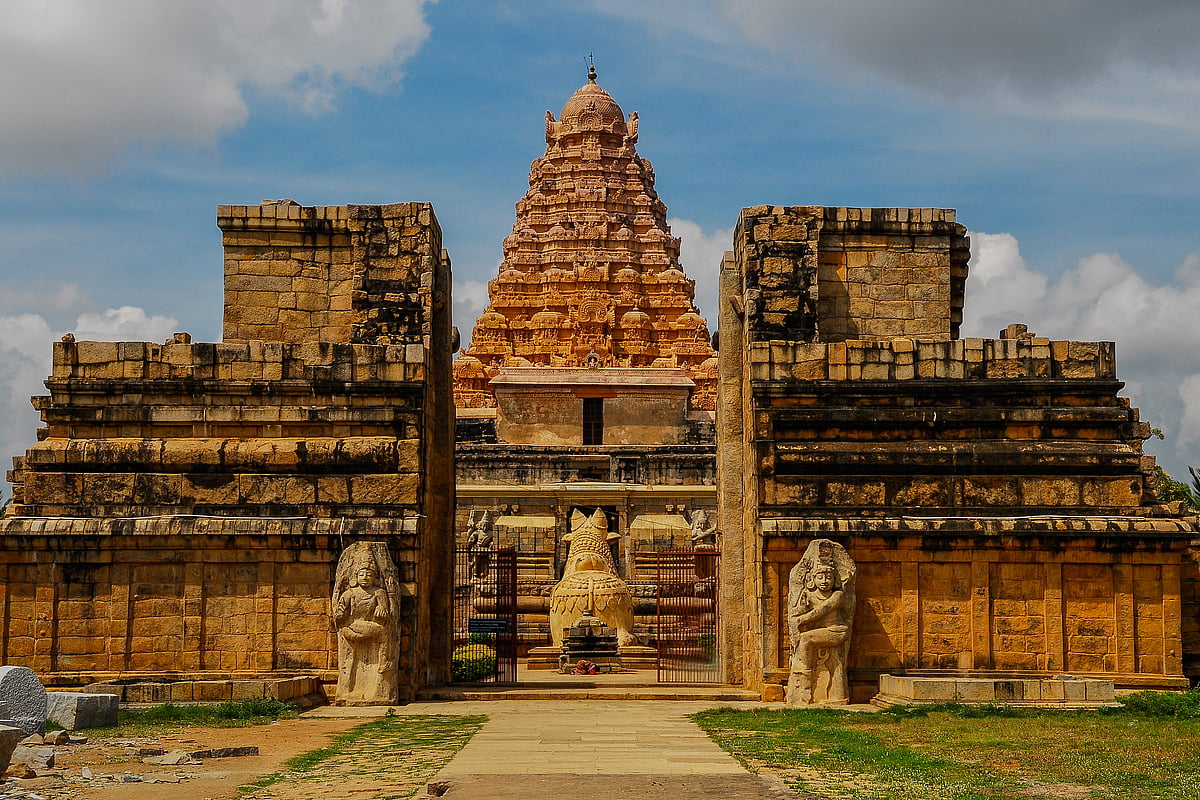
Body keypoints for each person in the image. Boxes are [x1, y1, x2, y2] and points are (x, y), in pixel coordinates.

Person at [788, 559, 852, 705]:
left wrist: (801, 620)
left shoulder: (838, 595)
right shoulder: (810, 595)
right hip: (823, 631)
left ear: (834, 580)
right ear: (813, 579)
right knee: (804, 638)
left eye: (828, 577)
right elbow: (798, 611)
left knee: (806, 639)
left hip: (837, 630)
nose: (824, 581)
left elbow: (822, 610)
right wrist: (797, 614)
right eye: (820, 577)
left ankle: (805, 676)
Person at [334, 559, 396, 704]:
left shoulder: (378, 592)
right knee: (382, 632)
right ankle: (383, 661)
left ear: (375, 577)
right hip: (352, 627)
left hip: (367, 626)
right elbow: (340, 613)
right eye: (362, 574)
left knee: (382, 631)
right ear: (356, 577)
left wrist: (382, 610)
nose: (365, 577)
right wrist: (340, 614)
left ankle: (382, 662)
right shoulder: (349, 593)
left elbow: (385, 612)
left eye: (369, 575)